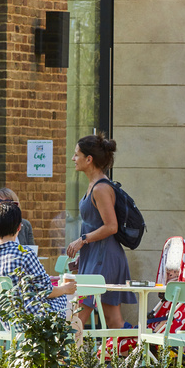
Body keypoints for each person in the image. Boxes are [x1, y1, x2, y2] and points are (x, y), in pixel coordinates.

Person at [0, 199, 81, 337]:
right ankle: (67, 357)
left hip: (8, 322)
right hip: (35, 319)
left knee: (76, 323)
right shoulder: (24, 254)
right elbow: (46, 291)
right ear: (19, 227)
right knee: (73, 303)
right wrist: (65, 288)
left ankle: (63, 355)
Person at [65, 134, 134, 331]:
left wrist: (82, 240)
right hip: (99, 257)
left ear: (89, 159)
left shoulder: (101, 188)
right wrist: (84, 255)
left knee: (77, 315)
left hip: (104, 259)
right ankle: (132, 357)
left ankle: (66, 359)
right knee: (113, 320)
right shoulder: (94, 185)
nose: (73, 158)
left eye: (76, 154)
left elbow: (111, 226)